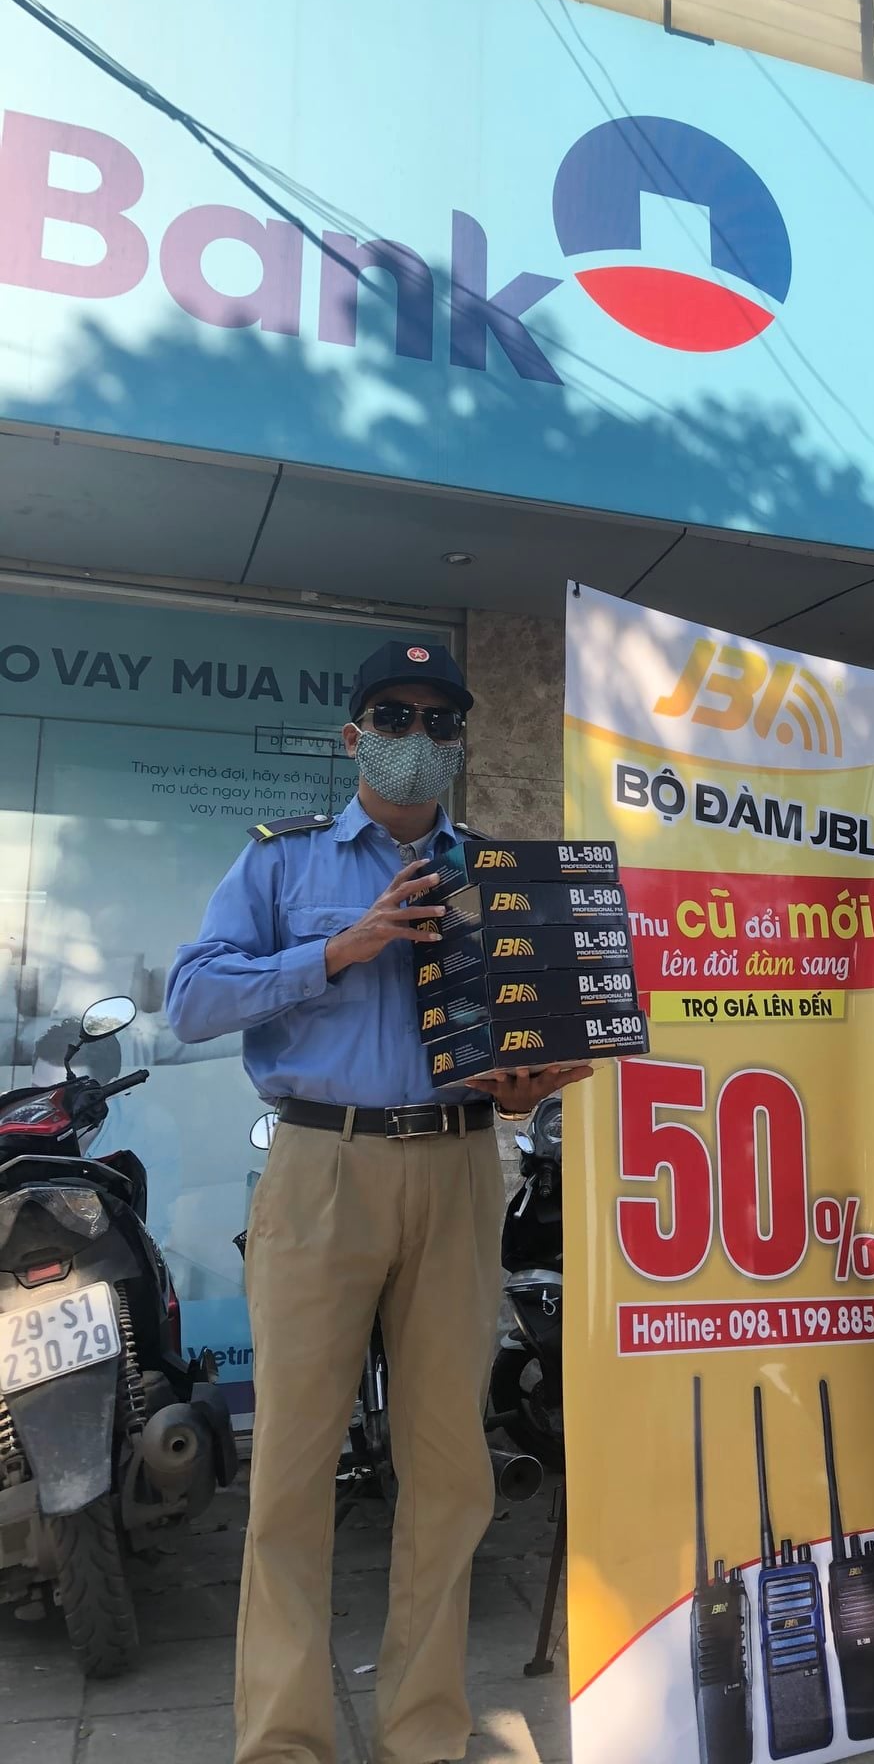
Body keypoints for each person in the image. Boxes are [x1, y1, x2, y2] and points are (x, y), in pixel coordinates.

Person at [166, 640, 590, 1764]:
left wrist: (527, 1085)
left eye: (440, 720)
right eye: (394, 715)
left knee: (450, 1472)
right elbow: (191, 999)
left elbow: (529, 1033)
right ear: (354, 735)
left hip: (460, 1166)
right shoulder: (284, 861)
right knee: (292, 1470)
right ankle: (283, 1740)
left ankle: (424, 1732)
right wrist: (338, 951)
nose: (418, 737)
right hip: (323, 1164)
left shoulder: (499, 876)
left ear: (459, 742)